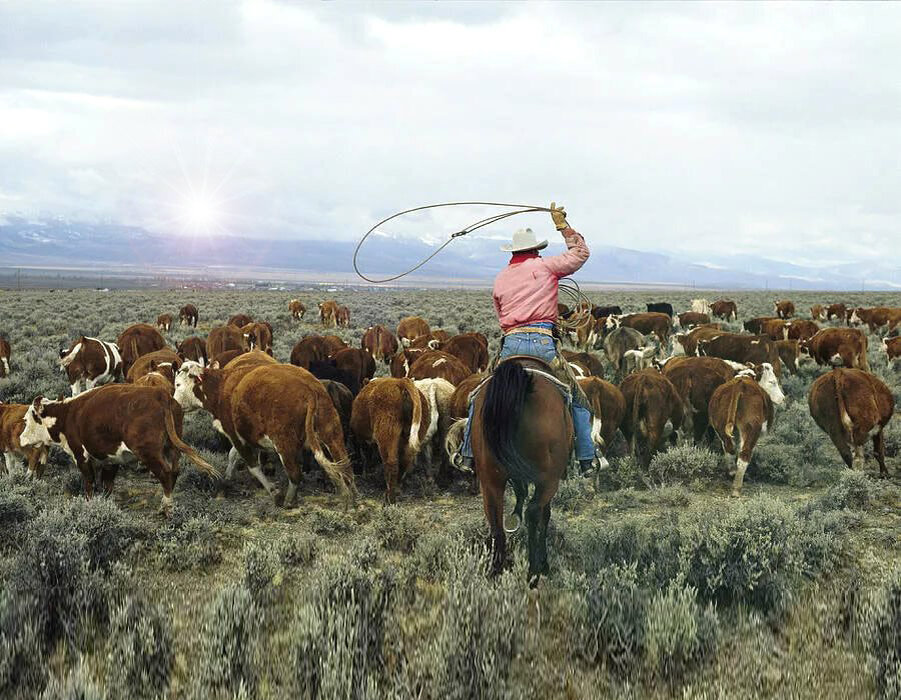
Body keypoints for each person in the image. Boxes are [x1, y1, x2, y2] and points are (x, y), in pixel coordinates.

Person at [453, 202, 599, 474]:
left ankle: (468, 453)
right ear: (536, 249)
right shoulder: (546, 267)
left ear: (513, 252)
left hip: (511, 346)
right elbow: (580, 253)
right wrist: (562, 225)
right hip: (544, 345)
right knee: (578, 400)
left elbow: (500, 315)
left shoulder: (500, 279)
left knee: (477, 396)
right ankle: (586, 458)